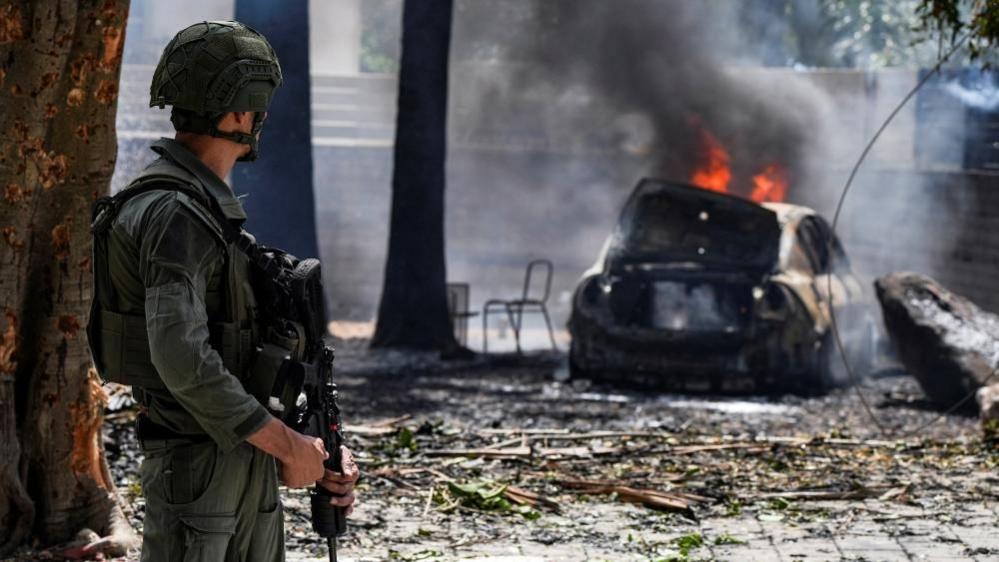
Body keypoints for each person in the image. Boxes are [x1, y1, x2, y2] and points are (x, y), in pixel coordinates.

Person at [85, 21, 358, 561]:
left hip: (237, 461)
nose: (259, 123)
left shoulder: (206, 214)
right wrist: (285, 443)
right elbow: (182, 357)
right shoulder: (175, 215)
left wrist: (315, 445)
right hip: (201, 471)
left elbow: (241, 358)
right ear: (237, 113)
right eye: (257, 109)